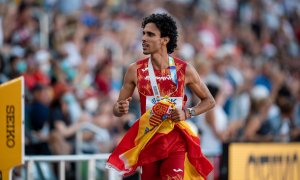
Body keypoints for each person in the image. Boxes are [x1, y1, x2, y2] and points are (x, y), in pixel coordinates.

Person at [108, 13, 215, 180]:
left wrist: (187, 113)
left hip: (176, 143)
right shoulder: (134, 71)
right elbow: (117, 110)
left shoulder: (184, 70)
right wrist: (119, 108)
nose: (143, 38)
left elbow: (210, 101)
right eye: (143, 34)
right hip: (149, 143)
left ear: (165, 40)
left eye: (150, 34)